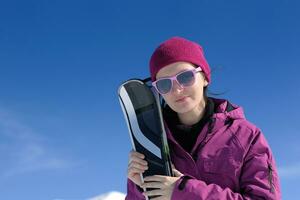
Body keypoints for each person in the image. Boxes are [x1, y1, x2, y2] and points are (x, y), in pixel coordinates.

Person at [125, 36, 281, 200]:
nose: (177, 90)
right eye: (165, 84)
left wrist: (184, 191)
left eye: (185, 77)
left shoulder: (247, 137)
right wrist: (140, 187)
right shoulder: (152, 144)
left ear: (205, 77)